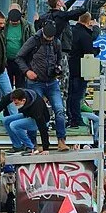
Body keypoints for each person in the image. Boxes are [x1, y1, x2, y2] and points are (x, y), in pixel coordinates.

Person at [15, 23, 67, 151]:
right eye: (47, 38)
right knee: (35, 112)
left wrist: (58, 67)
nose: (50, 40)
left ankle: (61, 140)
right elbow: (19, 57)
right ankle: (33, 143)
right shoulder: (33, 41)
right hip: (36, 81)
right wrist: (27, 71)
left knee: (59, 110)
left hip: (52, 81)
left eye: (51, 38)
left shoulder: (56, 42)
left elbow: (59, 58)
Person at [0, 89, 52, 155]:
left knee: (14, 125)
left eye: (16, 103)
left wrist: (46, 148)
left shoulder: (36, 107)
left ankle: (31, 147)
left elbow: (43, 128)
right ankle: (17, 146)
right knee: (6, 120)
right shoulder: (19, 94)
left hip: (41, 120)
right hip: (28, 114)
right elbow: (5, 100)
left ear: (23, 100)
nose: (15, 105)